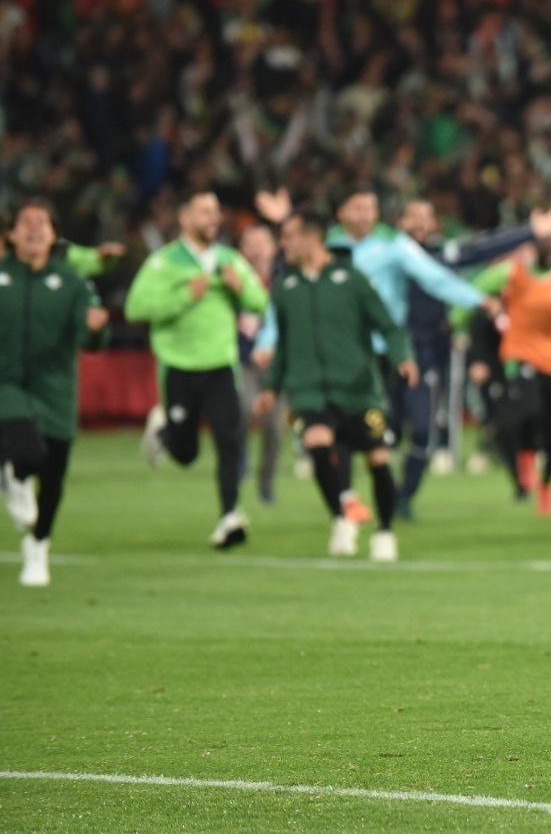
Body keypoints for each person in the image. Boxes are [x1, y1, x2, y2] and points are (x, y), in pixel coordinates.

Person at [253, 184, 489, 525]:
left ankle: (397, 499)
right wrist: (267, 340)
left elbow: (434, 277)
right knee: (344, 434)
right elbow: (289, 300)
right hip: (342, 359)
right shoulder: (325, 247)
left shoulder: (393, 244)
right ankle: (348, 503)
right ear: (341, 213)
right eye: (358, 207)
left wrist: (476, 300)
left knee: (398, 433)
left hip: (388, 358)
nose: (365, 215)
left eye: (371, 208)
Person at [253, 211, 417, 561]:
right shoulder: (285, 287)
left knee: (379, 457)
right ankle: (344, 511)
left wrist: (403, 356)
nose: (283, 246)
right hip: (309, 391)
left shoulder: (353, 279)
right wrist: (271, 387)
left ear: (311, 239)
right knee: (316, 442)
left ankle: (385, 532)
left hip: (361, 393)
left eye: (288, 238)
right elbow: (285, 343)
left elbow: (389, 326)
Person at [392, 197, 551, 519]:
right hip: (384, 352)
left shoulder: (439, 255)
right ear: (398, 222)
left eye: (427, 216)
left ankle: (403, 498)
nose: (421, 223)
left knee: (423, 430)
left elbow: (479, 250)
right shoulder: (386, 256)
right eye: (413, 216)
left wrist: (528, 231)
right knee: (385, 429)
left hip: (424, 356)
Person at [124, 189, 268, 547]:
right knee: (187, 454)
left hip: (221, 363)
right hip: (179, 367)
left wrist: (240, 291)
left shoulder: (229, 260)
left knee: (230, 440)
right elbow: (136, 308)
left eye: (216, 211)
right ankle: (165, 429)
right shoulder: (164, 262)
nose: (212, 218)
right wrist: (185, 295)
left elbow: (260, 301)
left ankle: (229, 515)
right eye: (204, 211)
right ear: (184, 218)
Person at [0, 201, 108, 586]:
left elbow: (90, 337)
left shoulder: (72, 283)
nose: (33, 229)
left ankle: (38, 546)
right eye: (24, 222)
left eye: (41, 222)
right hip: (7, 384)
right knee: (24, 446)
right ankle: (13, 475)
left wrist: (95, 329)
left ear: (53, 235)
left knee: (55, 474)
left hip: (56, 388)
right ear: (10, 234)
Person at [473, 237, 551, 516]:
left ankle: (546, 484)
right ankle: (525, 464)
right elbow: (474, 288)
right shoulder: (512, 272)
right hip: (521, 356)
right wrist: (480, 306)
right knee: (519, 415)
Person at [236, 224, 285, 504]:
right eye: (250, 242)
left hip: (275, 363)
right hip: (241, 356)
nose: (256, 249)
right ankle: (240, 461)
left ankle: (266, 483)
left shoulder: (284, 279)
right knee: (242, 409)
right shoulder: (231, 276)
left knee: (274, 427)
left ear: (273, 247)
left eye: (261, 242)